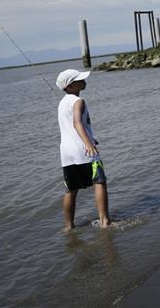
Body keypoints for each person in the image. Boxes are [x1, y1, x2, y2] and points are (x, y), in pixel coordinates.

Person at [56, 69, 111, 231]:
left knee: (71, 189)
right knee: (100, 182)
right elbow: (77, 123)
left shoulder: (62, 103)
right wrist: (88, 143)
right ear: (71, 86)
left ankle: (68, 226)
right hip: (83, 150)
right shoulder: (79, 101)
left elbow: (72, 127)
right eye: (80, 79)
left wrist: (90, 138)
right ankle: (105, 222)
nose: (84, 81)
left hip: (66, 154)